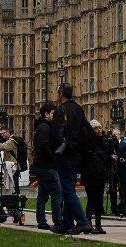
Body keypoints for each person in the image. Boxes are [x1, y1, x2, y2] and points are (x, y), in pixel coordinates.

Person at [51, 82, 93, 235]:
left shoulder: (60, 110)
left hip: (65, 154)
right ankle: (67, 224)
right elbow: (87, 131)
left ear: (61, 93)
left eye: (57, 92)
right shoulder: (78, 108)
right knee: (68, 188)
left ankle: (82, 222)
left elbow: (56, 134)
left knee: (67, 190)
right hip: (78, 154)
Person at [31, 102, 63, 233]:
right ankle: (58, 221)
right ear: (46, 114)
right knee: (57, 194)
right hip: (46, 166)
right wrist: (54, 158)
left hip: (40, 166)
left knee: (43, 194)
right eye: (53, 114)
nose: (54, 117)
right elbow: (44, 146)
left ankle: (42, 221)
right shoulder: (44, 127)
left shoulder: (41, 127)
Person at [83, 119, 109, 234]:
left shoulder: (103, 141)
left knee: (99, 201)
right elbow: (91, 156)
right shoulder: (89, 142)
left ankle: (98, 225)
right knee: (92, 200)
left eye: (99, 127)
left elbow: (104, 156)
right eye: (96, 128)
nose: (99, 130)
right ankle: (88, 224)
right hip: (90, 175)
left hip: (100, 174)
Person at [0, 126, 22, 194]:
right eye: (0, 134)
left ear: (7, 132)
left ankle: (14, 201)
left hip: (13, 167)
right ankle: (12, 199)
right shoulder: (8, 140)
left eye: (3, 133)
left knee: (14, 187)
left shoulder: (12, 141)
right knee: (12, 186)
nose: (1, 135)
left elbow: (2, 146)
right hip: (11, 167)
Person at [107, 128, 126, 217]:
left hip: (121, 170)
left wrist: (124, 160)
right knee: (113, 190)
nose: (115, 136)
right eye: (113, 135)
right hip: (112, 171)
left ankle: (124, 207)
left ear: (120, 135)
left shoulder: (124, 145)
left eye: (116, 135)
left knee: (123, 189)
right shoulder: (109, 145)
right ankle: (114, 208)